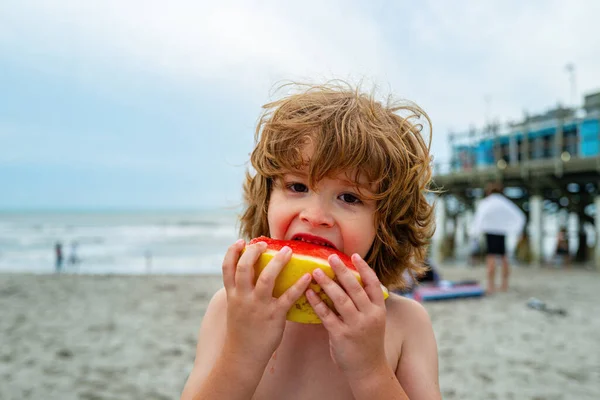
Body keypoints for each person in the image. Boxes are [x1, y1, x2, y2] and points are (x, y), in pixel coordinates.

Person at [181, 82, 441, 399]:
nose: (315, 215)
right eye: (297, 187)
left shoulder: (406, 323)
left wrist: (370, 370)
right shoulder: (230, 308)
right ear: (266, 199)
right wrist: (242, 353)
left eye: (349, 197)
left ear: (386, 225)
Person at [470, 182, 525, 293]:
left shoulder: (486, 202)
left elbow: (479, 218)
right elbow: (519, 216)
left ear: (489, 191)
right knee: (504, 258)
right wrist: (517, 230)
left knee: (491, 258)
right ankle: (504, 285)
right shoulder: (505, 203)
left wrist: (474, 233)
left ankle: (491, 285)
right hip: (502, 233)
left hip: (490, 233)